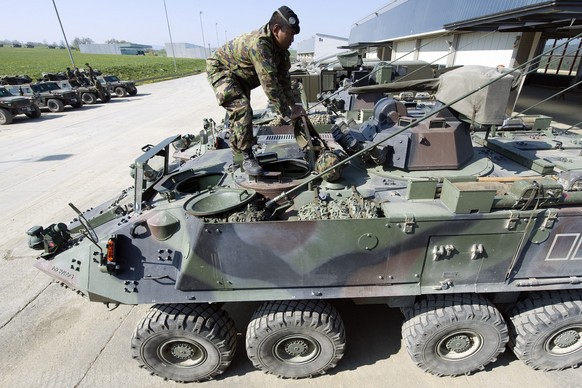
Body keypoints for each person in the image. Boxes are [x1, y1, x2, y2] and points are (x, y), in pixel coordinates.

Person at [207, 5, 305, 176]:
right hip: (222, 70)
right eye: (290, 34)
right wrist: (286, 113)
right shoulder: (259, 45)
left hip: (241, 74)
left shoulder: (281, 51)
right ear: (276, 30)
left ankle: (238, 147)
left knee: (242, 114)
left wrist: (293, 105)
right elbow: (270, 85)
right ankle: (246, 157)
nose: (292, 40)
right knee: (242, 109)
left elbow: (283, 80)